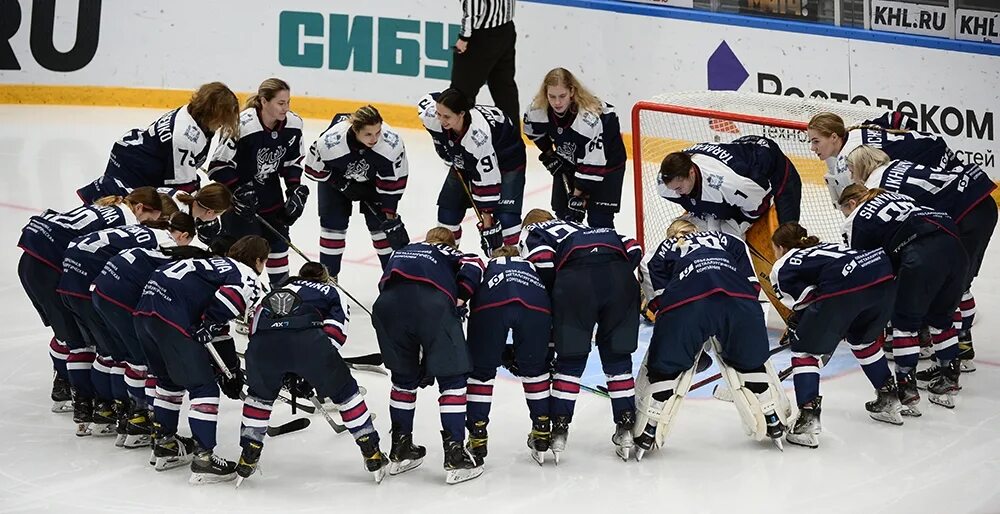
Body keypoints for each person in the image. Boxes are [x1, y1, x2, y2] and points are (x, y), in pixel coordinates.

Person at [632, 219, 789, 460]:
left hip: (687, 308)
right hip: (739, 304)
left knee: (665, 369)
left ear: (670, 234)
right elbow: (752, 285)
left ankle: (648, 430)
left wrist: (694, 338)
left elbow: (659, 305)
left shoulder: (657, 252)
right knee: (750, 362)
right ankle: (772, 418)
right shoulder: (729, 240)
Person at [17, 188, 163, 427]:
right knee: (80, 341)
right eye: (147, 220)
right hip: (49, 268)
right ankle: (81, 399)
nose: (145, 226)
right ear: (139, 209)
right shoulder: (127, 219)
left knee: (66, 333)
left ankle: (69, 386)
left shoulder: (108, 206)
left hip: (32, 261)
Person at [846, 147, 998, 374]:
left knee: (948, 288)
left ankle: (954, 354)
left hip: (966, 214)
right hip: (981, 202)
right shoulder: (896, 164)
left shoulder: (874, 187)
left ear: (860, 167)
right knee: (957, 283)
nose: (850, 176)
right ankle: (958, 348)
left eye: (850, 169)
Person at [133, 235, 269, 484]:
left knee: (168, 382)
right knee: (203, 388)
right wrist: (209, 321)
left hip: (144, 315)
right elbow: (232, 297)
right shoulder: (246, 273)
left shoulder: (213, 263)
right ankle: (204, 459)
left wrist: (227, 364)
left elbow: (216, 328)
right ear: (259, 260)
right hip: (172, 318)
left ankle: (165, 444)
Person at [238, 262, 387, 485]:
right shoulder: (332, 290)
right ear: (325, 278)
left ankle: (248, 454)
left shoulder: (276, 290)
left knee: (259, 397)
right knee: (347, 393)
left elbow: (254, 327)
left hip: (263, 346)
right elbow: (336, 333)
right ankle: (371, 451)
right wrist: (310, 369)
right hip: (309, 345)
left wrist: (283, 368)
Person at [519, 209, 642, 461]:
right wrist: (611, 274)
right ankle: (626, 428)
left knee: (570, 360)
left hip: (575, 283)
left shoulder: (534, 231)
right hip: (620, 280)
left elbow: (542, 260)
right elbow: (634, 248)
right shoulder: (582, 227)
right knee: (617, 357)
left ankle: (558, 432)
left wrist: (561, 289)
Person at [58, 213, 196, 439]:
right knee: (143, 359)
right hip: (105, 290)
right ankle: (138, 419)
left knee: (109, 353)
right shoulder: (167, 244)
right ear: (181, 235)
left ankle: (106, 410)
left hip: (87, 284)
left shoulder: (142, 231)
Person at [770, 222, 902, 448]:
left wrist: (809, 327)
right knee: (863, 341)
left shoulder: (783, 265)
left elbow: (806, 301)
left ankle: (808, 421)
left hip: (848, 286)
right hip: (882, 275)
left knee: (804, 350)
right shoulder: (827, 247)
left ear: (780, 247)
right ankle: (889, 399)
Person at [839, 185, 968, 413]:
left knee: (905, 324)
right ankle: (948, 379)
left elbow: (862, 266)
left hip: (920, 256)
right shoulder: (901, 197)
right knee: (942, 319)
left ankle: (906, 389)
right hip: (956, 249)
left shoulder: (857, 218)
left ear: (851, 204)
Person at [372, 227, 485, 485]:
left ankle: (400, 449)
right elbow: (475, 265)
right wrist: (460, 298)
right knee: (453, 381)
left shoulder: (403, 251)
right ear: (451, 243)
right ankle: (456, 454)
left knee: (403, 381)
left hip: (387, 307)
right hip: (432, 306)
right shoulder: (451, 253)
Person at [92, 241, 219, 450]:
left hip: (101, 289)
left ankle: (128, 416)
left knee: (124, 357)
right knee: (149, 364)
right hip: (120, 295)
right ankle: (141, 423)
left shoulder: (162, 256)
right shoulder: (186, 271)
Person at [207, 78, 307, 286]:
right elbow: (218, 165)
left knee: (278, 245)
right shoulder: (241, 125)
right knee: (246, 253)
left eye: (288, 102)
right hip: (240, 203)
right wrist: (238, 189)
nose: (286, 108)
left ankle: (280, 295)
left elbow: (292, 161)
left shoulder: (294, 124)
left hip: (271, 195)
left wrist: (294, 188)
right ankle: (237, 295)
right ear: (264, 101)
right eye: (280, 103)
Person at [77, 83, 240, 202]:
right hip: (133, 168)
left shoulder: (193, 113)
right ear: (213, 113)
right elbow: (182, 190)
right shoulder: (184, 136)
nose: (224, 124)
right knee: (123, 212)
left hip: (134, 154)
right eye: (223, 118)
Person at [465, 245, 552, 465]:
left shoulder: (487, 267)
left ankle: (477, 436)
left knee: (481, 372)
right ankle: (542, 430)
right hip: (535, 306)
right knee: (535, 371)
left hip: (491, 305)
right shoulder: (532, 266)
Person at [302, 105, 410, 278]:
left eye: (377, 132)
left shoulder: (391, 144)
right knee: (333, 227)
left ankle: (393, 279)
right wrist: (341, 184)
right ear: (355, 129)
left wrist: (390, 215)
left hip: (374, 182)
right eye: (368, 134)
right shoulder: (331, 143)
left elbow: (394, 181)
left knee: (382, 229)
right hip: (336, 178)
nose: (374, 138)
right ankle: (328, 282)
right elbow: (312, 169)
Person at [417, 88, 526, 255]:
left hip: (507, 161)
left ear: (461, 114)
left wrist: (487, 223)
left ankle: (516, 265)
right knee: (448, 213)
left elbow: (487, 180)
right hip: (465, 159)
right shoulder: (432, 116)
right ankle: (446, 261)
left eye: (446, 116)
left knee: (506, 220)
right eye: (439, 114)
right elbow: (427, 99)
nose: (440, 120)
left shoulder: (478, 138)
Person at [523, 68, 627, 228]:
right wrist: (551, 155)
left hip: (607, 165)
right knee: (562, 214)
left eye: (562, 96)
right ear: (546, 93)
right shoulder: (537, 110)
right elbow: (533, 132)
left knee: (598, 221)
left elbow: (593, 164)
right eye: (552, 96)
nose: (557, 102)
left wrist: (577, 196)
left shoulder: (589, 119)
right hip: (570, 158)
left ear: (572, 91)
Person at [807, 111, 958, 208]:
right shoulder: (854, 129)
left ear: (834, 137)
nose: (813, 148)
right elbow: (898, 118)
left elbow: (864, 208)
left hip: (935, 163)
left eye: (816, 141)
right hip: (933, 143)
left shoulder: (847, 164)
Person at [657, 135, 802, 235]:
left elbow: (759, 203)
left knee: (787, 233)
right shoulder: (664, 183)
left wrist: (739, 221)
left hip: (770, 163)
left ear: (691, 173)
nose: (676, 193)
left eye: (679, 188)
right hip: (738, 153)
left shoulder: (729, 184)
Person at [450, 0, 518, 123]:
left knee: (460, 94)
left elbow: (473, 5)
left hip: (481, 34)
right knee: (504, 89)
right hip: (506, 29)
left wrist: (464, 36)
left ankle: (458, 140)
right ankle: (512, 140)